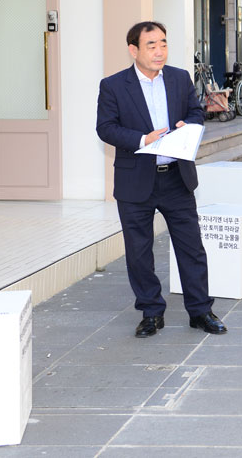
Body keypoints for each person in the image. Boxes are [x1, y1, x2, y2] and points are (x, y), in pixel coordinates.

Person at [96, 21, 227, 338]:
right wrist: (143, 139)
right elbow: (106, 128)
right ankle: (151, 312)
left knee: (191, 248)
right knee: (139, 252)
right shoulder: (113, 85)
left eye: (163, 44)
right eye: (151, 45)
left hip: (176, 180)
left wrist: (188, 125)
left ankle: (200, 311)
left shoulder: (180, 79)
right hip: (135, 180)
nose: (159, 51)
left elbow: (196, 113)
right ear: (134, 50)